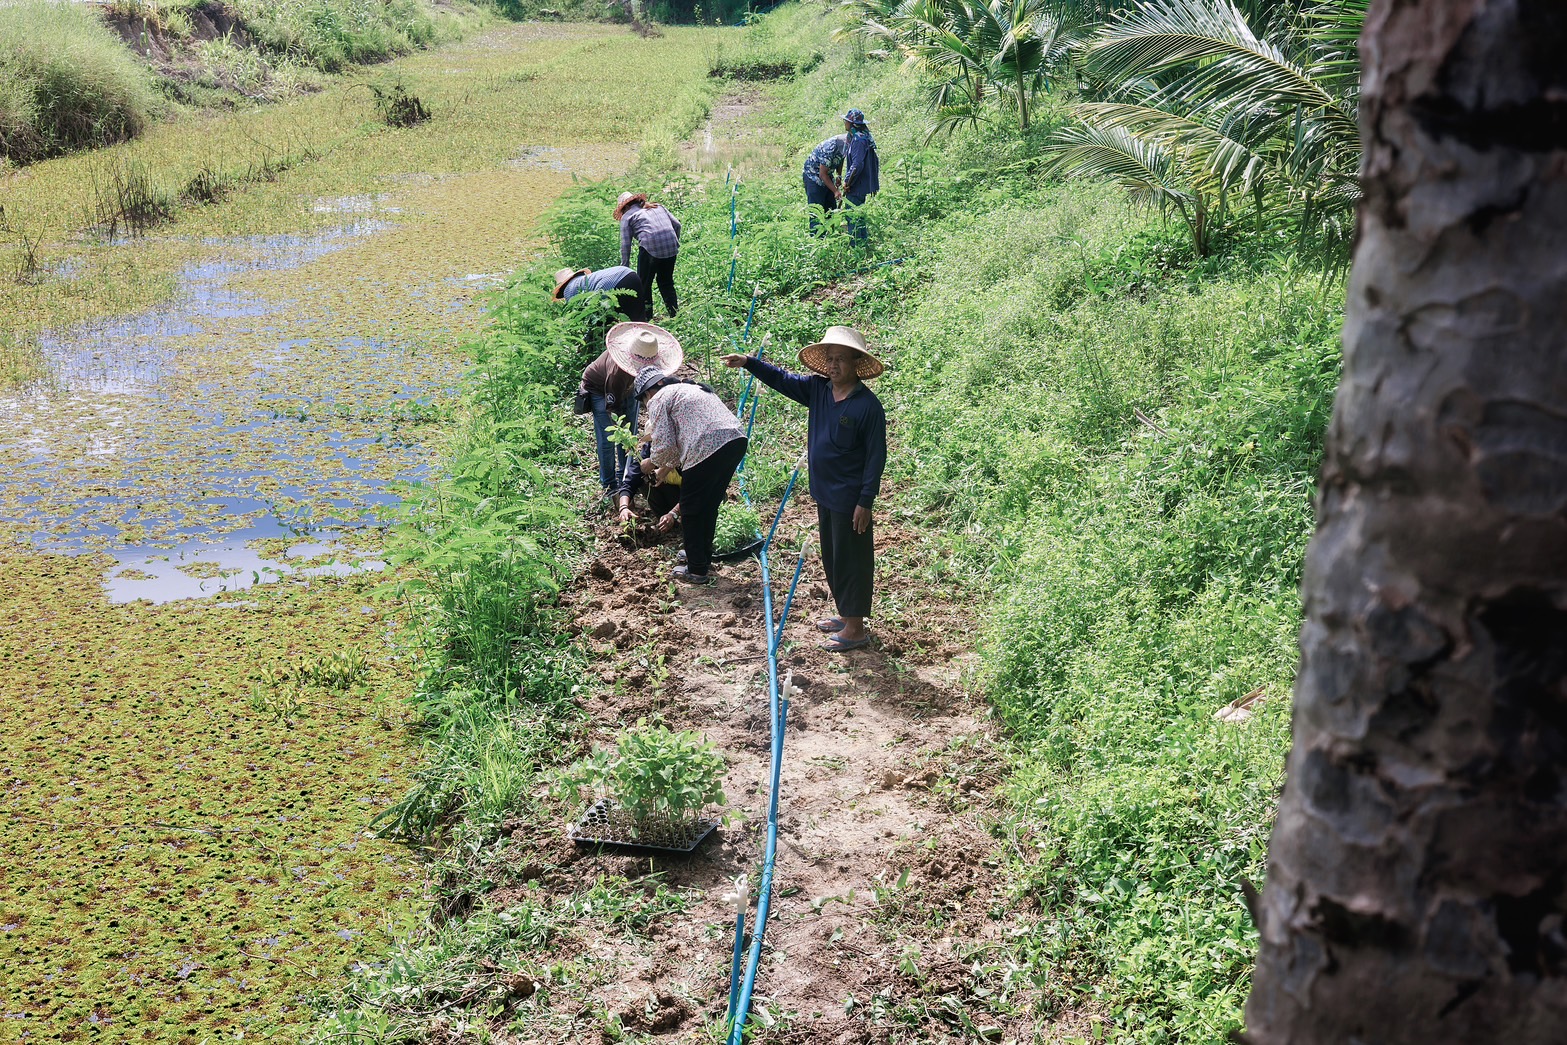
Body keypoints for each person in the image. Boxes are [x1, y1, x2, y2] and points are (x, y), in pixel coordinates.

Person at [722, 326, 887, 651]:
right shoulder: (818, 390)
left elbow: (875, 457)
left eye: (841, 359)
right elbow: (782, 380)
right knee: (834, 556)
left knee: (852, 559)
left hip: (850, 498)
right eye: (831, 359)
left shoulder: (867, 407)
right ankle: (846, 615)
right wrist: (749, 362)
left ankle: (856, 628)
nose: (834, 365)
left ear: (856, 363)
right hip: (824, 492)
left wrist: (865, 500)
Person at [633, 366, 747, 585]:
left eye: (644, 400)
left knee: (690, 508)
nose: (646, 404)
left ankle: (696, 569)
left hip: (705, 445)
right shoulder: (689, 388)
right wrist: (664, 468)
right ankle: (701, 556)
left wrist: (650, 463)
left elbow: (664, 444)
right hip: (734, 440)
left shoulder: (659, 398)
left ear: (648, 392)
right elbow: (678, 443)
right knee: (708, 504)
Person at [578, 323, 682, 497]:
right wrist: (620, 424)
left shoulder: (647, 372)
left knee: (630, 436)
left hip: (629, 388)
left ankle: (624, 479)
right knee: (610, 437)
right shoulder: (617, 373)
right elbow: (612, 408)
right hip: (601, 390)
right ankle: (610, 485)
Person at [614, 192, 682, 320]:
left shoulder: (628, 216)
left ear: (625, 207)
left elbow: (625, 245)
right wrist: (673, 243)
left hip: (651, 248)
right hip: (671, 247)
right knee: (666, 282)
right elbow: (677, 225)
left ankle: (647, 320)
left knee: (644, 285)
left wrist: (624, 268)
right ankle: (675, 316)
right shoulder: (658, 207)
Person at [840, 109, 880, 245]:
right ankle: (862, 244)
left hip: (856, 186)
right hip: (861, 185)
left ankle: (856, 246)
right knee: (859, 215)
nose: (844, 123)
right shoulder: (862, 137)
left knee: (853, 216)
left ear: (852, 124)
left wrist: (847, 182)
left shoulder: (858, 140)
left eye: (846, 121)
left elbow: (857, 165)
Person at [553, 265, 647, 322]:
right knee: (638, 322)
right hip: (630, 274)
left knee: (601, 322)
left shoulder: (569, 289)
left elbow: (581, 315)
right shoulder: (585, 280)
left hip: (612, 285)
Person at [801, 130, 848, 235]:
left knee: (831, 209)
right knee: (817, 211)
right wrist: (835, 191)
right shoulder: (829, 148)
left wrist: (839, 176)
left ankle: (830, 236)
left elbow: (840, 159)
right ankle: (817, 238)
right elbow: (822, 174)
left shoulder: (844, 147)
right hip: (813, 176)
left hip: (827, 175)